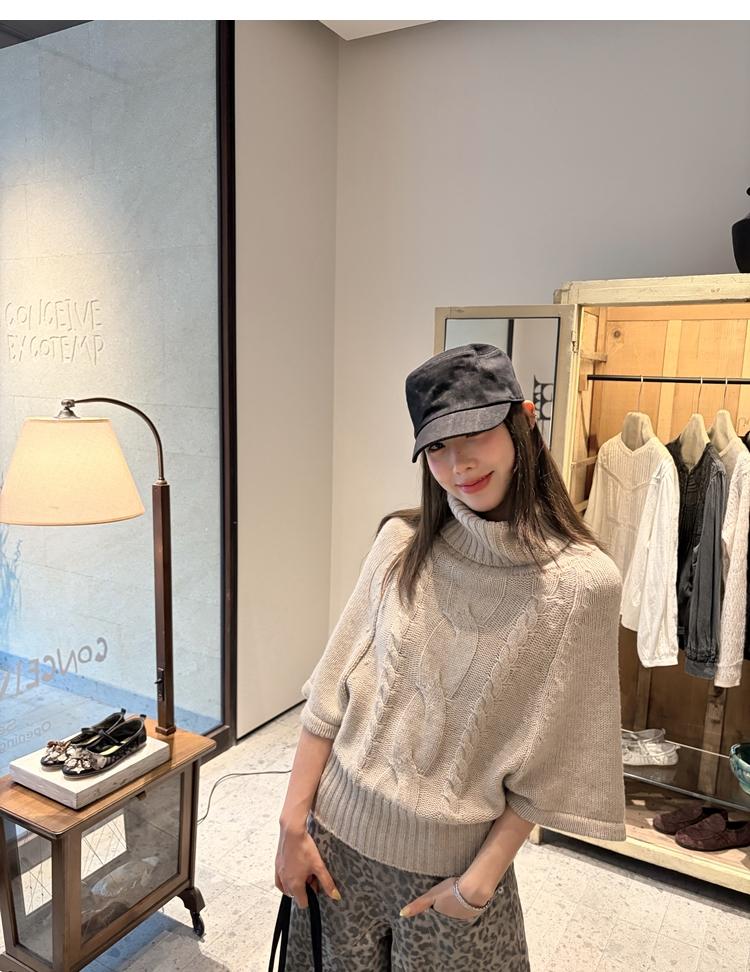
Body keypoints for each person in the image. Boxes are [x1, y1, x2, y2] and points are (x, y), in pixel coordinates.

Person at [274, 343, 626, 971]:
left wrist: (477, 886)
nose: (458, 463)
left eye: (476, 433)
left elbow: (551, 768)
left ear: (524, 421)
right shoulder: (400, 544)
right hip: (334, 845)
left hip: (453, 875)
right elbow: (329, 698)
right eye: (436, 446)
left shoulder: (582, 586)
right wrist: (292, 827)